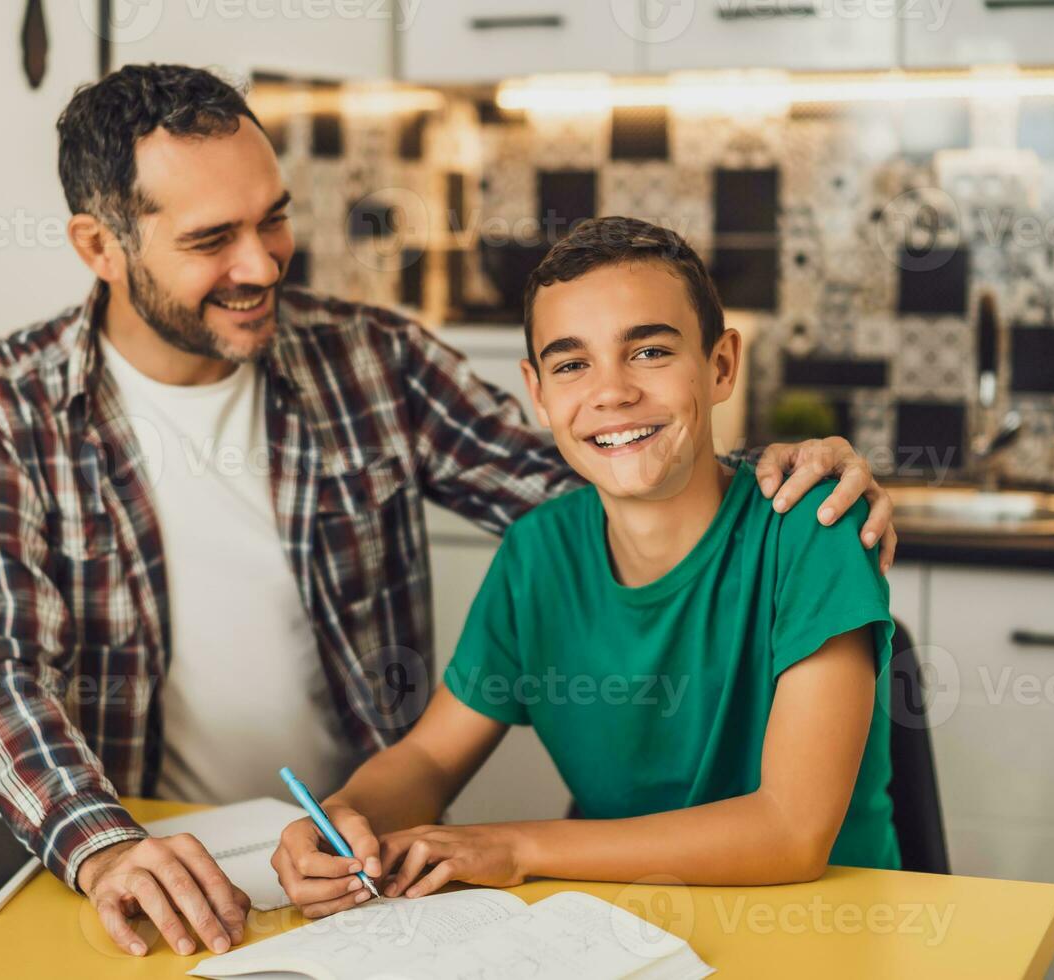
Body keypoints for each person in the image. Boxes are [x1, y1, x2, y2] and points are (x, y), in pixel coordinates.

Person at [0, 65, 898, 958]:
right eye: (213, 239)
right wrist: (102, 844)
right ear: (100, 244)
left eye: (274, 219)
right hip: (149, 849)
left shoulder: (370, 358)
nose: (262, 265)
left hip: (349, 866)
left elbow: (616, 487)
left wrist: (780, 477)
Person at [271, 217, 898, 919]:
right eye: (572, 365)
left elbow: (791, 832)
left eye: (651, 352)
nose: (612, 392)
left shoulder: (812, 532)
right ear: (538, 394)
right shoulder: (537, 555)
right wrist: (341, 817)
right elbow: (429, 761)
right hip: (629, 933)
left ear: (721, 365)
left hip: (829, 932)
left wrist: (516, 846)